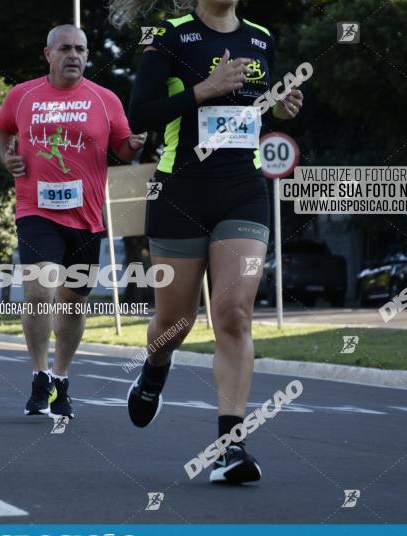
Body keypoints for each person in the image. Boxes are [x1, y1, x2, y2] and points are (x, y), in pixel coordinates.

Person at [114, 0, 303, 484]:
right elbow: (141, 113)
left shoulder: (261, 37)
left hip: (243, 192)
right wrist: (204, 90)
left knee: (234, 314)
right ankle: (155, 369)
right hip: (180, 193)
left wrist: (278, 106)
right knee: (174, 323)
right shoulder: (170, 36)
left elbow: (254, 109)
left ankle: (230, 446)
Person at [0, 24, 147, 418]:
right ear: (48, 54)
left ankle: (61, 378)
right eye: (65, 49)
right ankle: (39, 374)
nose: (73, 55)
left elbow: (123, 149)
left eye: (80, 49)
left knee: (74, 305)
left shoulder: (105, 99)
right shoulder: (22, 95)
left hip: (87, 218)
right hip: (35, 211)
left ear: (88, 55)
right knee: (40, 291)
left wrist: (134, 145)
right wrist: (5, 156)